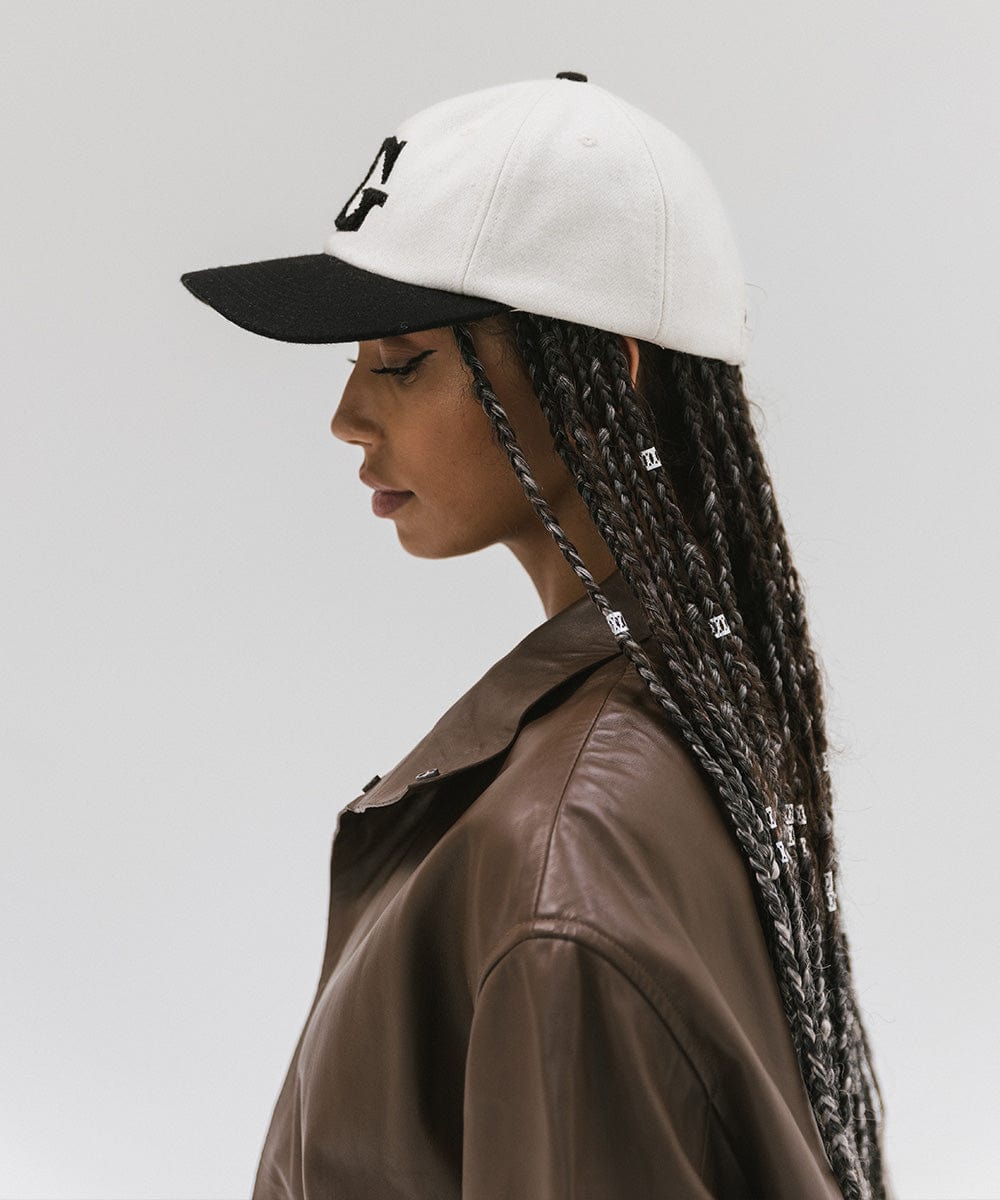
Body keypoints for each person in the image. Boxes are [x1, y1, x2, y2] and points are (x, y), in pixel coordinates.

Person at [180, 72, 893, 1200]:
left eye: (401, 360)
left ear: (597, 374)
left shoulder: (559, 864)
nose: (347, 416)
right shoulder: (674, 714)